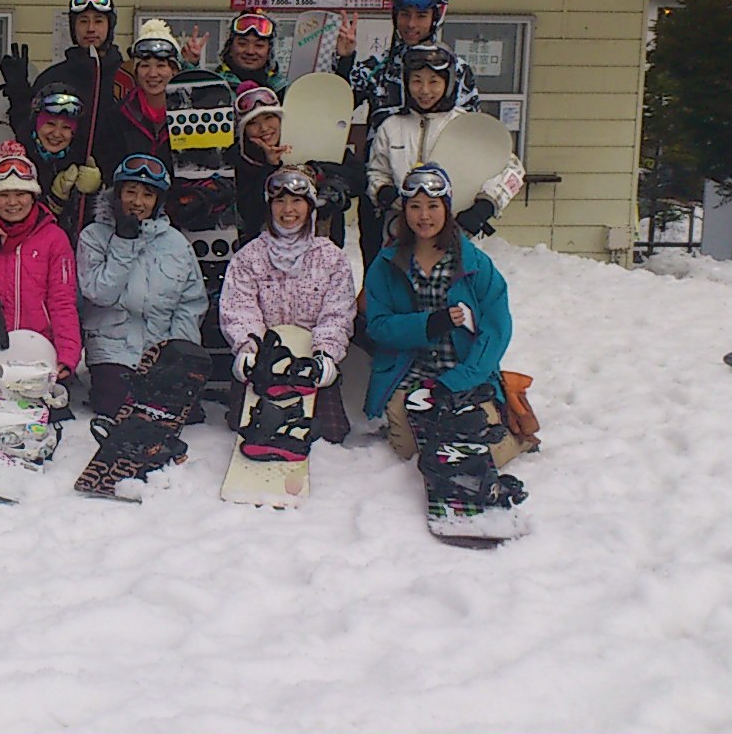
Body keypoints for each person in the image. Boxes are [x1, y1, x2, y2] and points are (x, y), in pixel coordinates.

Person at [362, 163, 533, 534]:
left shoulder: (475, 264)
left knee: (482, 445)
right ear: (404, 211)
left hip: (465, 370)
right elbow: (378, 326)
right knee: (409, 449)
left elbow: (496, 330)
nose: (424, 216)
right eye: (415, 206)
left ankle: (512, 429)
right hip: (411, 368)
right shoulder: (386, 264)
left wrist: (457, 381)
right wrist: (430, 324)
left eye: (433, 206)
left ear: (447, 208)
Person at [217, 166, 358, 442]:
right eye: (279, 201)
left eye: (296, 201)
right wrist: (248, 348)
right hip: (264, 358)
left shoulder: (332, 258)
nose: (288, 209)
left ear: (310, 206)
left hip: (310, 358)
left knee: (331, 433)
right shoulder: (249, 257)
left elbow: (337, 313)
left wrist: (326, 355)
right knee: (241, 425)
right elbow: (239, 307)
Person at [0, 142, 82, 411]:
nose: (12, 203)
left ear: (33, 196)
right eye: (4, 195)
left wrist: (67, 355)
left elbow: (62, 301)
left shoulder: (53, 238)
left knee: (44, 415)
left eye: (20, 194)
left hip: (37, 346)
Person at [77, 154, 209, 416]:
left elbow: (190, 303)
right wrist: (124, 242)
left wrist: (179, 355)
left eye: (148, 195)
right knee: (121, 408)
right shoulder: (94, 236)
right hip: (113, 348)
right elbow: (99, 293)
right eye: (130, 192)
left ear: (158, 201)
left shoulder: (176, 244)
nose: (138, 202)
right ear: (117, 194)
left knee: (177, 410)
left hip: (160, 348)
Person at [366, 43, 525, 239]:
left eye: (434, 82)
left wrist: (485, 205)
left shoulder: (468, 125)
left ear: (448, 83)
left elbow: (513, 171)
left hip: (457, 232)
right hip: (403, 232)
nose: (424, 90)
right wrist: (385, 193)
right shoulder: (392, 127)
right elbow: (377, 172)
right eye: (416, 81)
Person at [333, 0, 479, 129]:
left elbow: (469, 129)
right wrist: (345, 59)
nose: (411, 24)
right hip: (380, 145)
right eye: (405, 14)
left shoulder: (457, 70)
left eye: (421, 16)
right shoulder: (377, 67)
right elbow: (336, 108)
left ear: (436, 18)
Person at [23, 0, 133, 169]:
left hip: (118, 179)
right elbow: (32, 136)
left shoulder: (126, 77)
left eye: (98, 21)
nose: (91, 28)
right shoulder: (52, 78)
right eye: (83, 21)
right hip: (63, 179)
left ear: (110, 26)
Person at [23, 84, 101, 238]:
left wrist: (95, 192)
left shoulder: (81, 159)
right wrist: (55, 200)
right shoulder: (19, 158)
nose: (57, 134)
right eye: (50, 124)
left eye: (66, 127)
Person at [106, 18, 181, 177]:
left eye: (161, 66)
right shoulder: (120, 114)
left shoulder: (188, 114)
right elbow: (111, 168)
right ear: (136, 71)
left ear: (174, 70)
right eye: (145, 66)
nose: (152, 74)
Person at [232, 85, 287, 241]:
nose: (263, 128)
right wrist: (271, 166)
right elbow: (251, 216)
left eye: (269, 117)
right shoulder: (237, 162)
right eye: (252, 123)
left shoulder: (303, 143)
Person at [183, 9, 284, 91]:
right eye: (242, 44)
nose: (250, 51)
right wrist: (189, 66)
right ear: (230, 47)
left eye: (259, 45)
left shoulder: (282, 90)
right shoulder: (212, 85)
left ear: (269, 51)